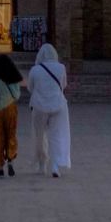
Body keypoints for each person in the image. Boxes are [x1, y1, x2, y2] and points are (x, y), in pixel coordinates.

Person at [24, 43, 71, 177]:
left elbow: (30, 88)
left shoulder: (35, 70)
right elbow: (64, 85)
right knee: (57, 135)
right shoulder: (61, 68)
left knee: (40, 136)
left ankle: (42, 165)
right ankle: (55, 166)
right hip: (58, 105)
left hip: (39, 106)